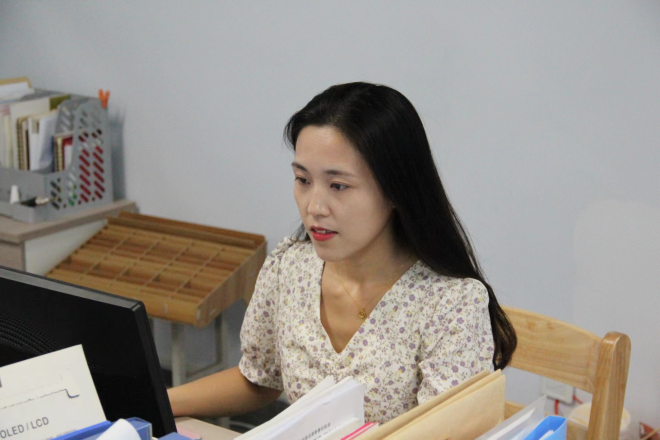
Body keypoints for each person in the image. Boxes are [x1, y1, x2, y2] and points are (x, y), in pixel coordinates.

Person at [167, 82, 517, 424]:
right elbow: (259, 379)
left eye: (338, 185)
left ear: (396, 190)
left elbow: (443, 432)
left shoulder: (451, 305)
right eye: (303, 180)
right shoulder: (290, 268)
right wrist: (156, 401)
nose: (314, 207)